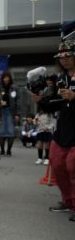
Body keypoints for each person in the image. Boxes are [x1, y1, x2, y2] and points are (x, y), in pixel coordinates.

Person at [34, 39, 75, 221]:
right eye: (61, 56)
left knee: (73, 166)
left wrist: (74, 96)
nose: (64, 59)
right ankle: (68, 201)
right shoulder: (60, 78)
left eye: (68, 55)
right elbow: (53, 105)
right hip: (63, 129)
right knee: (57, 164)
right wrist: (40, 100)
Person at [0, 71, 19, 157]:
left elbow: (18, 101)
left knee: (10, 132)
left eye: (7, 77)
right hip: (1, 112)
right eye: (4, 77)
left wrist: (17, 114)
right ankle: (2, 150)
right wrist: (0, 103)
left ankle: (9, 150)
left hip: (11, 111)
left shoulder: (14, 88)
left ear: (10, 78)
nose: (6, 79)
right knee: (1, 132)